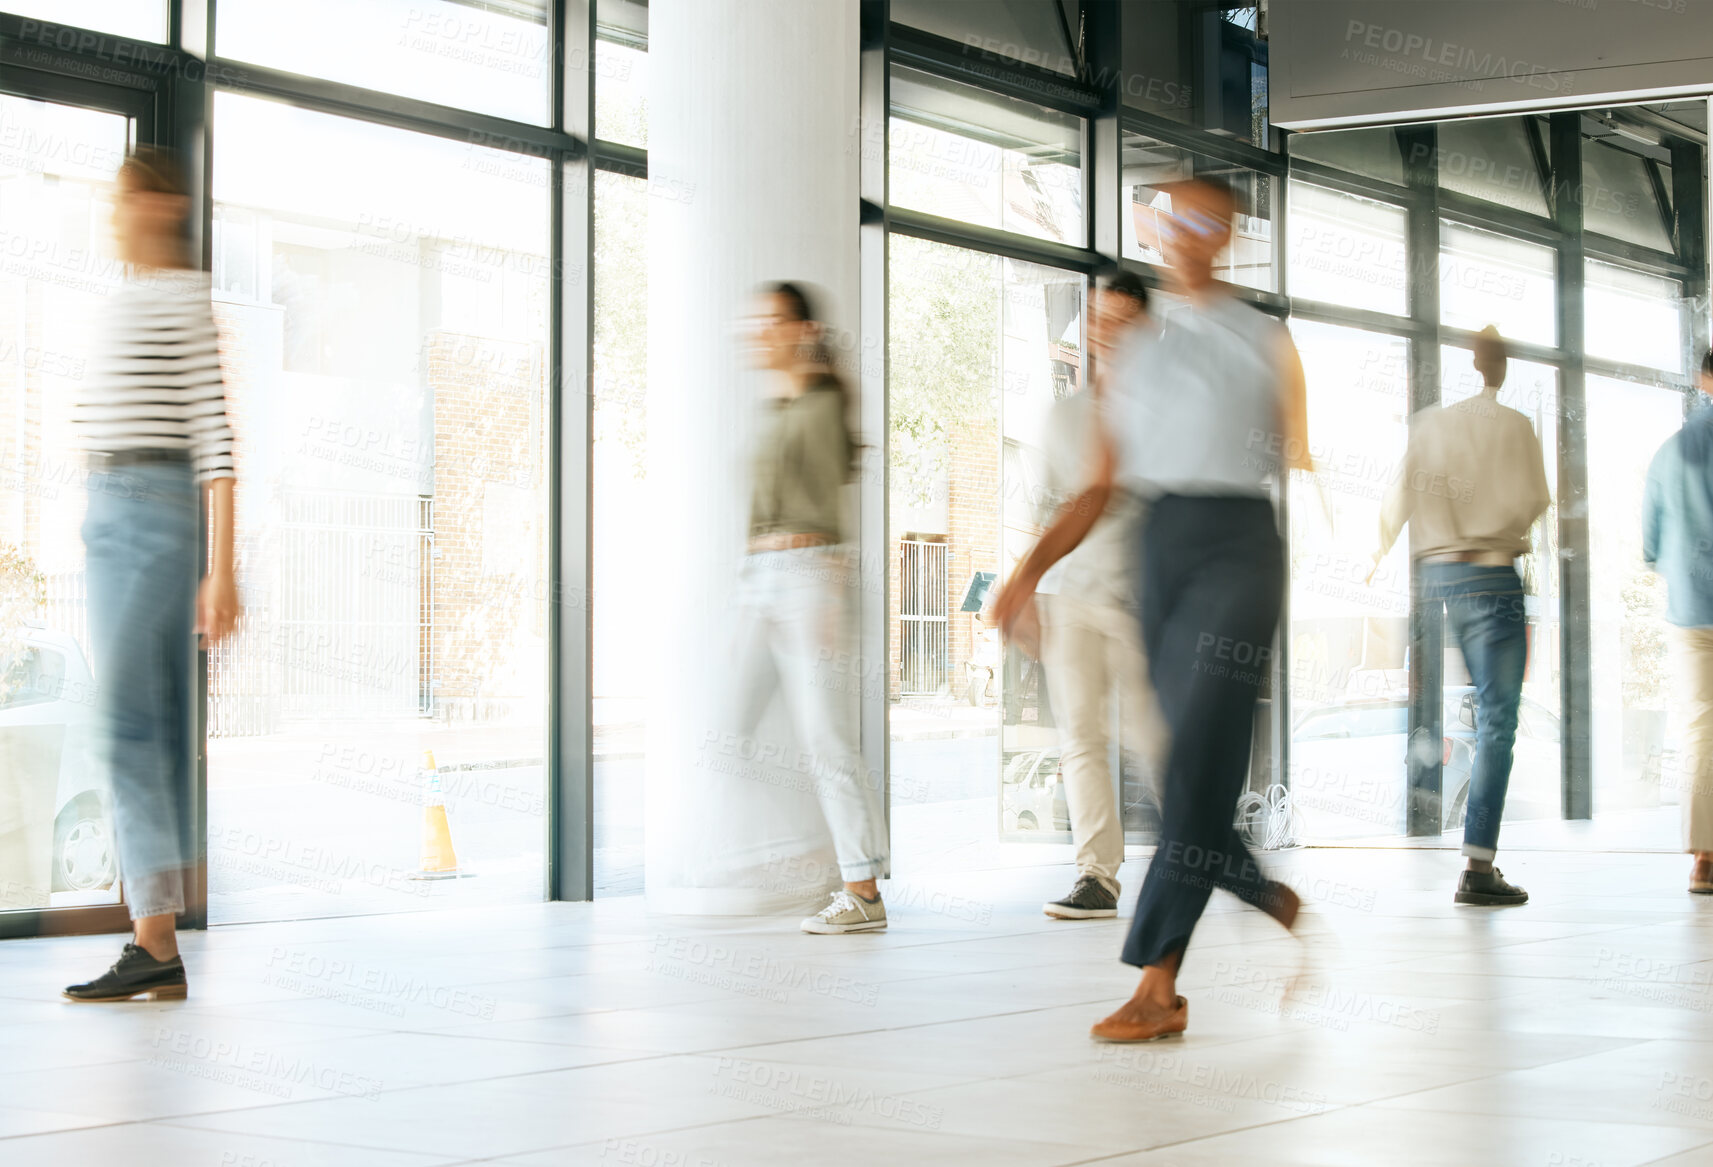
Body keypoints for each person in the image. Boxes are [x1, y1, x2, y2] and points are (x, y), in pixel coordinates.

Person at [993, 176, 1314, 1042]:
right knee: (1189, 773)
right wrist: (1024, 574)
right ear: (1156, 230)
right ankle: (1270, 898)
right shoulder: (1141, 355)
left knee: (1192, 763)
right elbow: (1099, 485)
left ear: (1230, 230)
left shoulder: (1264, 336)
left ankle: (1157, 981)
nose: (1188, 231)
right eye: (1172, 218)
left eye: (1207, 217)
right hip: (1163, 551)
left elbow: (1294, 456)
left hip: (1239, 547)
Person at [64, 148, 240, 1001]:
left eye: (125, 198)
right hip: (109, 510)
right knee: (143, 724)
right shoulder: (125, 299)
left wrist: (222, 571)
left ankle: (156, 936)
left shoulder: (183, 298)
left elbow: (216, 441)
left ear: (164, 205)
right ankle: (157, 937)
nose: (113, 213)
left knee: (125, 722)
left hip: (153, 510)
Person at [734, 282, 889, 934]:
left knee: (826, 740)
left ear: (801, 330)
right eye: (755, 320)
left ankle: (861, 888)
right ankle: (812, 855)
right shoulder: (776, 407)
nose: (757, 331)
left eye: (772, 320)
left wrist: (825, 589)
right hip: (762, 579)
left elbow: (826, 512)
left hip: (808, 578)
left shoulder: (821, 404)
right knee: (732, 732)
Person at [1376, 326, 1549, 907]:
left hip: (1436, 576)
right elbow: (1534, 502)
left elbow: (1397, 497)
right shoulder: (1518, 427)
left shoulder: (1433, 425)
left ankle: (1432, 794)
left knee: (1435, 702)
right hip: (1492, 571)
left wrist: (1375, 559)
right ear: (1497, 365)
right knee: (1498, 721)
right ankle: (1478, 866)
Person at [1034, 272, 1170, 920]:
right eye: (1098, 319)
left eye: (1122, 322)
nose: (1106, 333)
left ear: (1147, 331)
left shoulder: (1169, 416)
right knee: (1079, 737)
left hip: (1139, 599)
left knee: (1155, 738)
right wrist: (1031, 586)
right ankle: (1096, 875)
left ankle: (1192, 852)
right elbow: (1050, 508)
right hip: (1070, 597)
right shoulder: (1064, 416)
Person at [1643, 349, 1713, 895]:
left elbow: (1649, 545)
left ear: (1702, 379)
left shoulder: (1670, 453)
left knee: (1699, 730)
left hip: (1692, 614)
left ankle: (1704, 860)